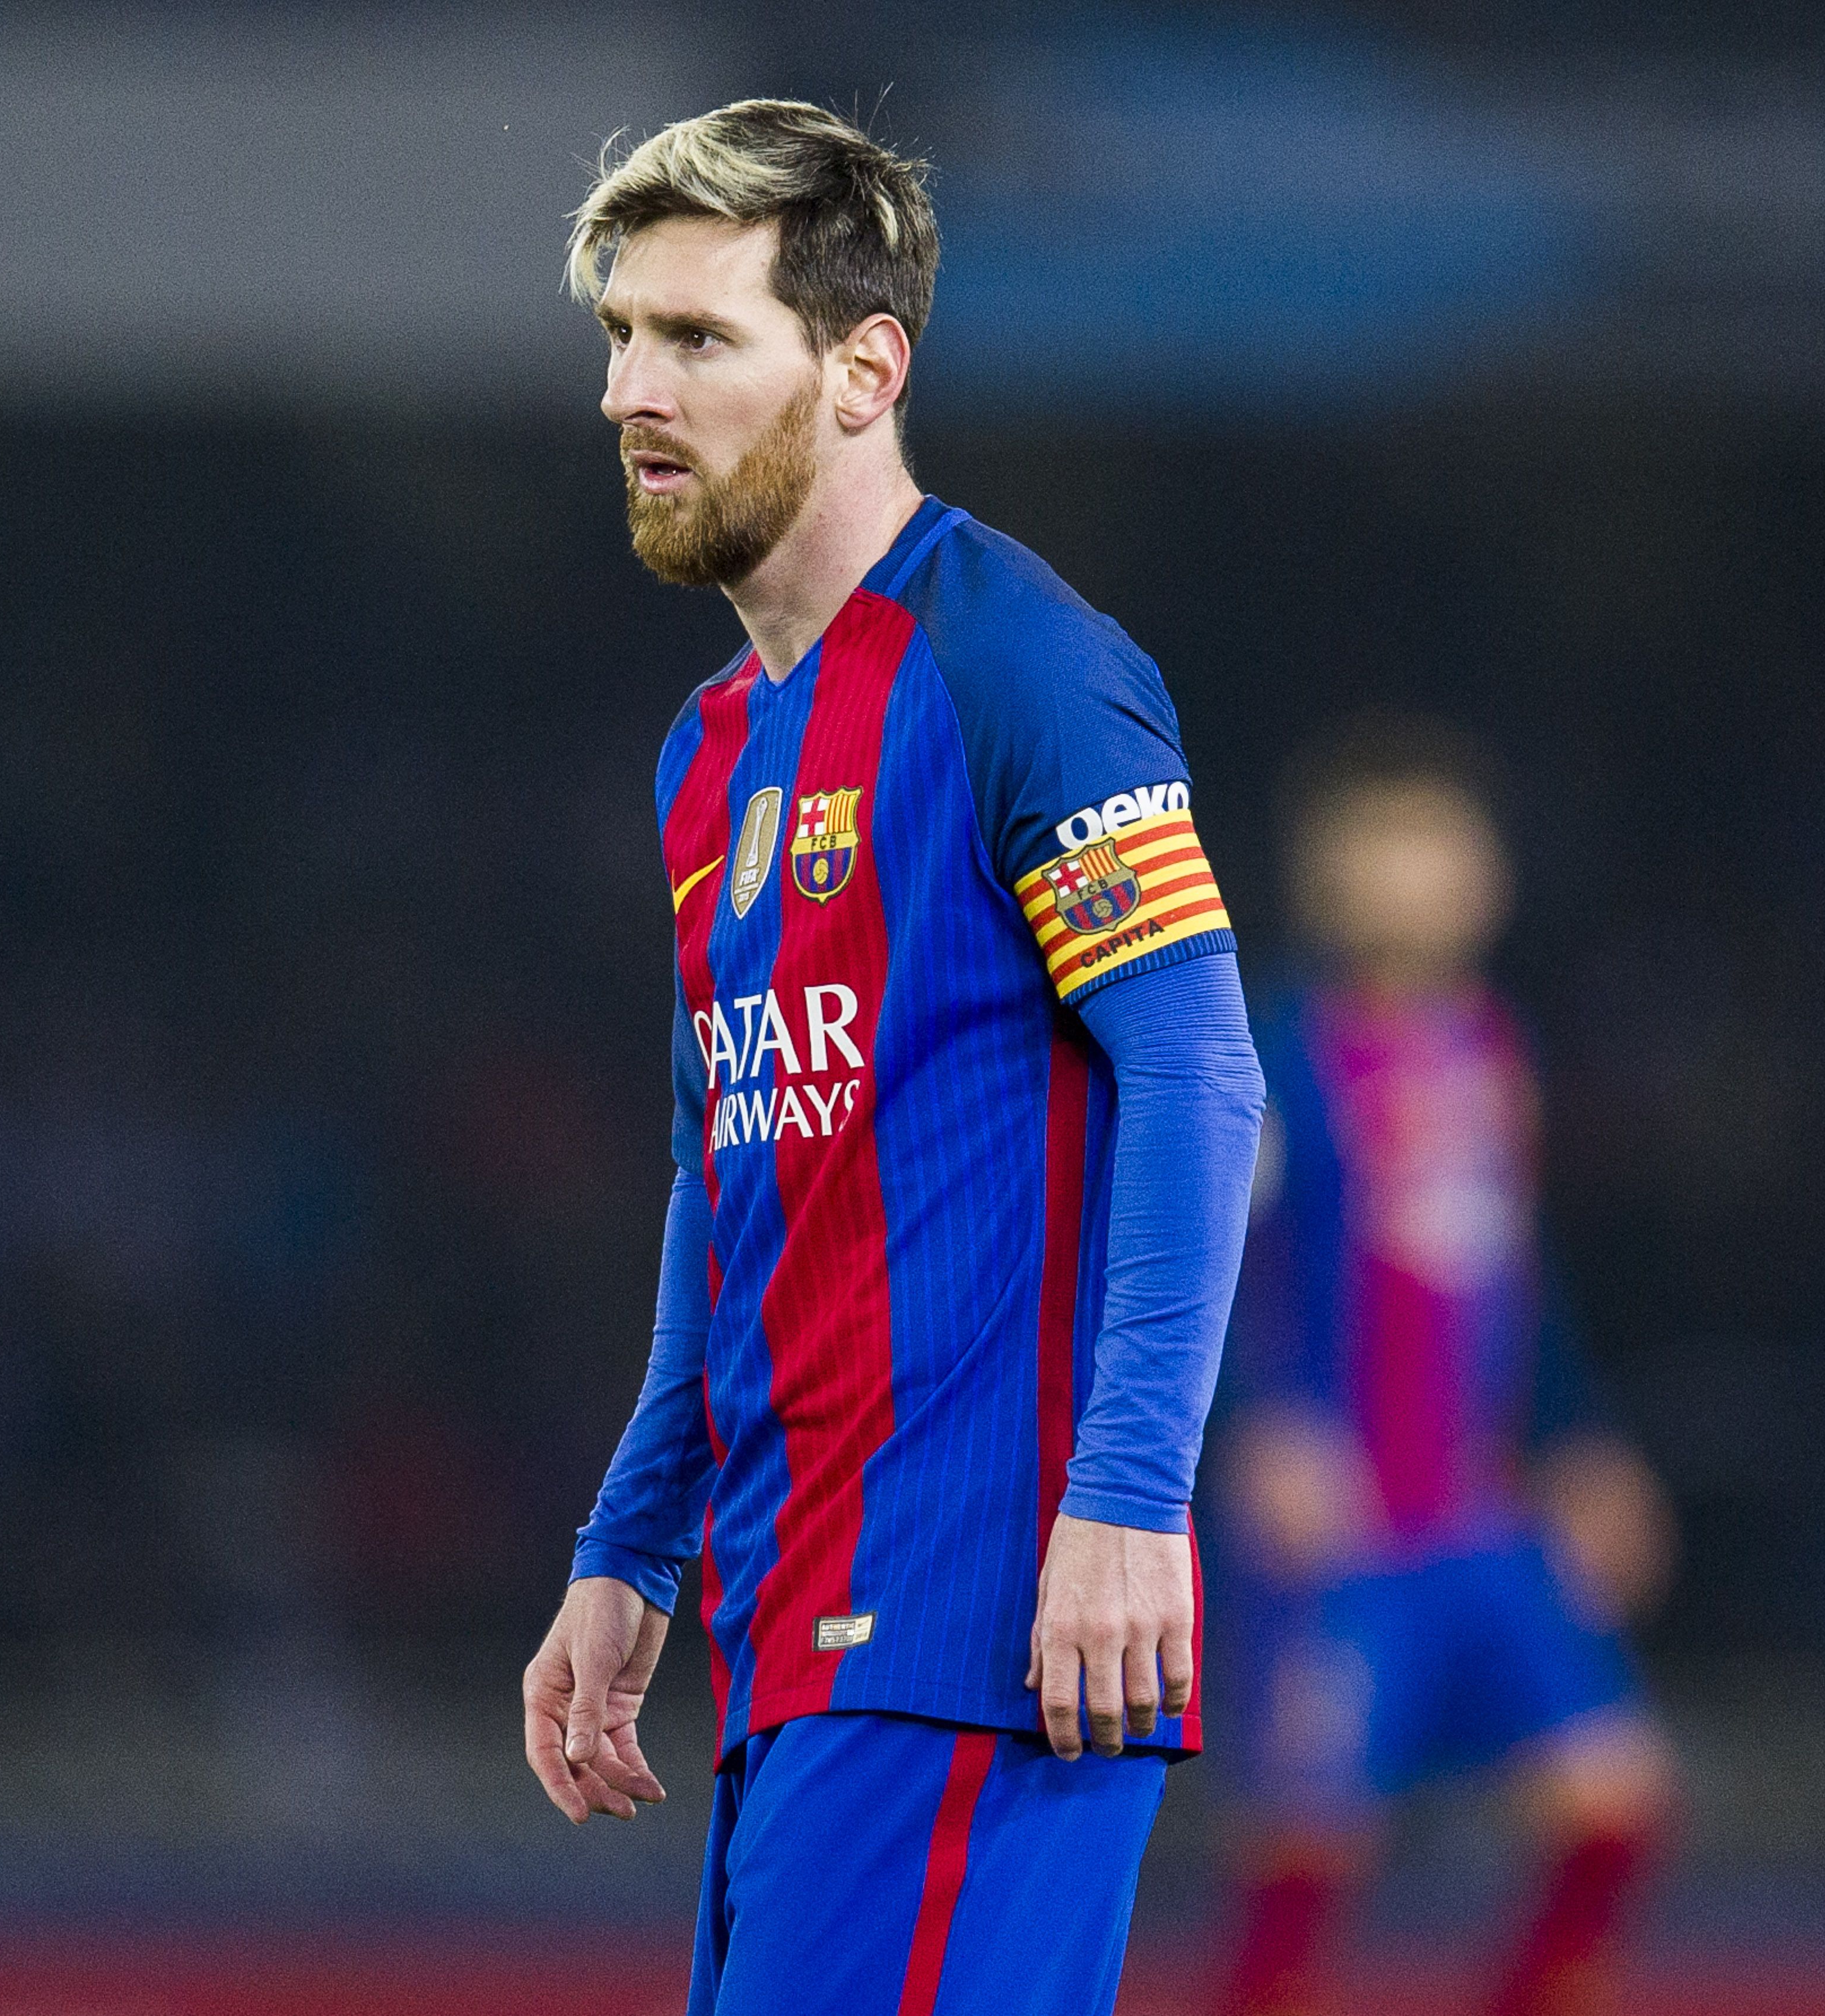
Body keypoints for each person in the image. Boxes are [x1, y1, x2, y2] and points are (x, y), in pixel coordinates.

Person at [515, 101, 1268, 2016]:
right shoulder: (706, 756)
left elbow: (1199, 1075)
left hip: (983, 1623)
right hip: (795, 1630)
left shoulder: (1022, 660)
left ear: (865, 367)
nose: (630, 387)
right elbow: (730, 1176)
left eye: (696, 337)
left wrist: (1125, 1499)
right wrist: (633, 1544)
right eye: (619, 332)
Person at [1208, 715, 1680, 2016]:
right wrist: (1257, 1429)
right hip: (1342, 1528)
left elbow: (1517, 1282)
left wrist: (1584, 1444)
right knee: (1310, 1851)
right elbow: (1207, 1266)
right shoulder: (1276, 1053)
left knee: (1615, 1802)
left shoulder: (1489, 1051)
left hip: (1480, 1521)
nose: (1425, 873)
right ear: (1329, 872)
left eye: (1445, 843)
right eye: (1391, 843)